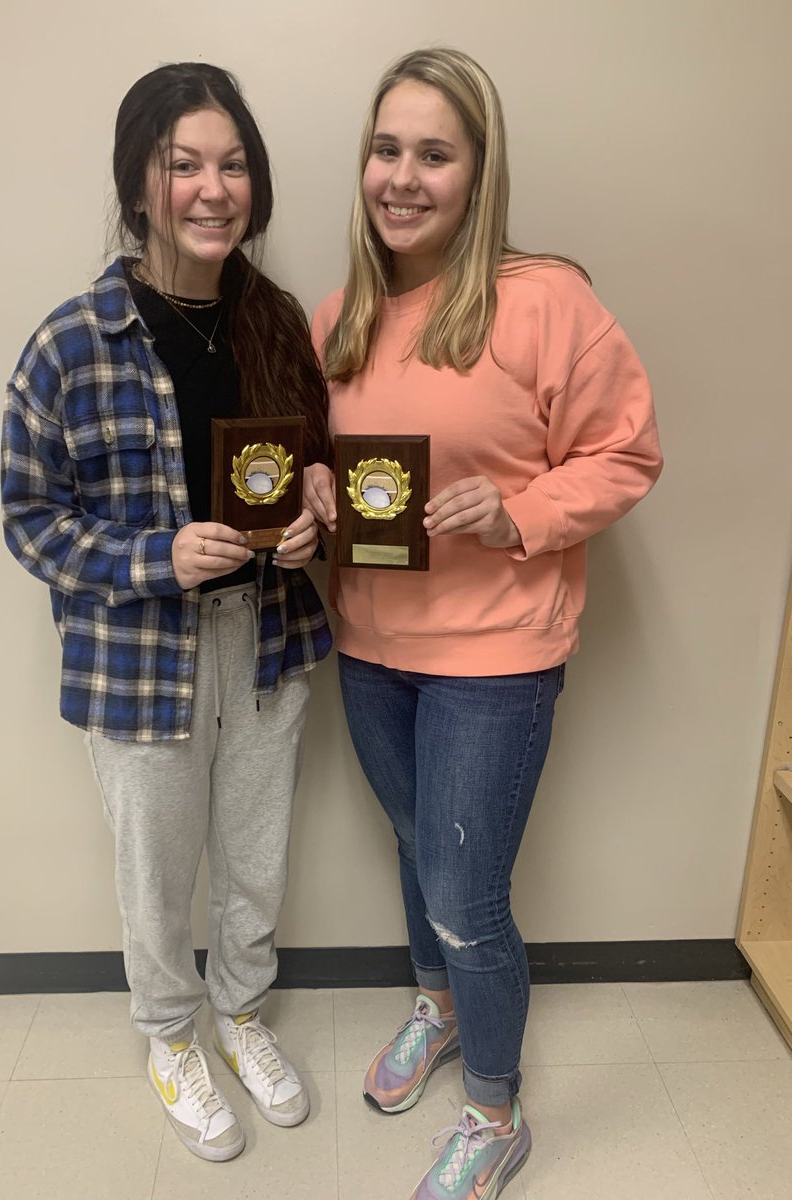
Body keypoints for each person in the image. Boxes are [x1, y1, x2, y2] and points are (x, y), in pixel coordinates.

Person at [306, 47, 662, 1199]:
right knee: (416, 854)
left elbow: (627, 453)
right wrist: (311, 497)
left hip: (497, 661)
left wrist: (521, 514)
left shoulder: (546, 300)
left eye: (435, 153)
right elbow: (321, 468)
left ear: (478, 172)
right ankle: (442, 1007)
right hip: (370, 648)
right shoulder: (341, 317)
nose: (402, 176)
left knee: (466, 895)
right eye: (387, 148)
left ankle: (495, 1114)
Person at [2, 62, 331, 1163]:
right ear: (138, 184)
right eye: (183, 163)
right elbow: (30, 521)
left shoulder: (277, 321)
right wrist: (156, 555)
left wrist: (313, 524)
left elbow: (319, 474)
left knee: (256, 854)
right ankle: (168, 1033)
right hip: (139, 655)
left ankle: (240, 1011)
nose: (212, 187)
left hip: (271, 638)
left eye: (232, 164)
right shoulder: (70, 344)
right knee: (157, 868)